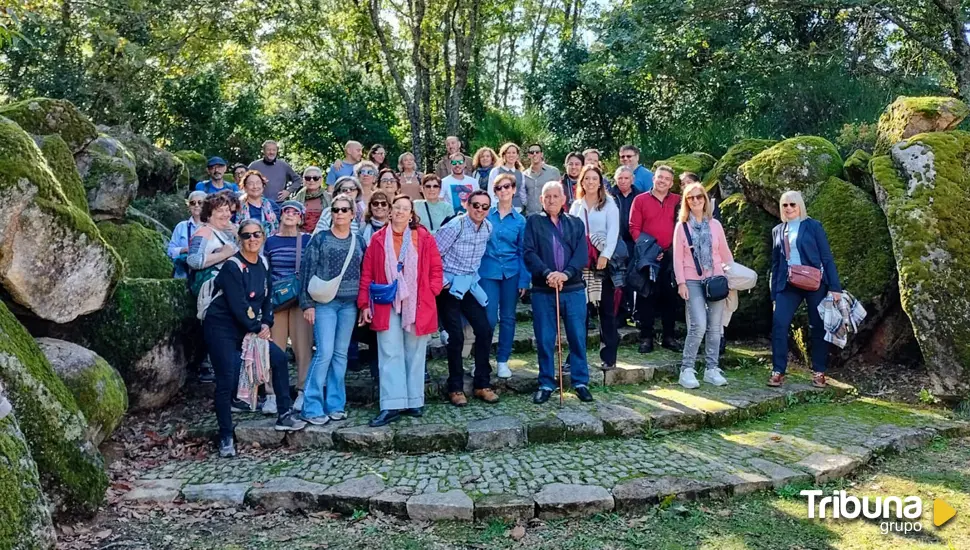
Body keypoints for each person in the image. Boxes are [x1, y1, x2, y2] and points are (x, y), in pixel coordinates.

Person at [203, 220, 306, 457]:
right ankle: (226, 435)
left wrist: (267, 322)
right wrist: (257, 327)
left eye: (256, 235)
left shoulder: (263, 263)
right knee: (226, 377)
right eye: (247, 235)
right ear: (240, 238)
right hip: (222, 327)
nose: (252, 239)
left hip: (250, 327)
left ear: (263, 237)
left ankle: (284, 414)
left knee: (278, 359)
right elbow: (238, 304)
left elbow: (268, 298)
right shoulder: (232, 266)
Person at [359, 195, 443, 427]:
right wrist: (364, 304)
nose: (400, 212)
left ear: (411, 214)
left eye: (405, 209)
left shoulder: (423, 237)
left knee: (415, 351)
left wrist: (432, 289)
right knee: (389, 351)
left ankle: (415, 399)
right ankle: (392, 404)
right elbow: (367, 273)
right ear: (390, 211)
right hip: (387, 302)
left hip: (417, 301)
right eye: (396, 208)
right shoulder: (377, 239)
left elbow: (436, 266)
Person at [524, 182, 593, 404]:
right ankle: (546, 382)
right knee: (545, 338)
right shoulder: (534, 221)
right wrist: (547, 273)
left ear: (564, 199)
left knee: (577, 336)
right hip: (543, 290)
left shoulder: (575, 223)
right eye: (547, 197)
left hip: (572, 288)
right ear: (541, 200)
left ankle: (580, 381)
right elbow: (529, 252)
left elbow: (582, 254)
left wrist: (565, 274)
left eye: (556, 196)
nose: (552, 200)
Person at [299, 194, 366, 425]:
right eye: (336, 209)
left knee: (340, 355)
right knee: (324, 353)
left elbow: (364, 273)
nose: (339, 213)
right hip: (325, 303)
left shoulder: (359, 241)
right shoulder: (320, 239)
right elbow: (306, 271)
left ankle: (336, 404)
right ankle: (312, 405)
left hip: (349, 305)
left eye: (344, 210)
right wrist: (307, 304)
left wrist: (363, 304)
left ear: (352, 213)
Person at [769, 190, 841, 388]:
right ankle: (778, 371)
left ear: (800, 205)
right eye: (785, 205)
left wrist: (835, 287)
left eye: (793, 204)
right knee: (779, 324)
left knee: (818, 326)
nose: (789, 208)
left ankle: (819, 371)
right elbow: (775, 264)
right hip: (788, 284)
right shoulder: (777, 230)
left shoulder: (813, 226)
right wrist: (774, 293)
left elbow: (826, 257)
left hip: (814, 282)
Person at [434, 190, 497, 406]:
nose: (480, 210)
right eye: (476, 205)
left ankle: (482, 384)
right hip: (448, 286)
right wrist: (444, 282)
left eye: (485, 206)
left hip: (468, 284)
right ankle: (456, 388)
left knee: (485, 329)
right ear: (468, 206)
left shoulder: (488, 228)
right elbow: (433, 254)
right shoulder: (455, 227)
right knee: (456, 336)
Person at [672, 183, 732, 389]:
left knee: (715, 327)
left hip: (715, 279)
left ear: (705, 200)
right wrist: (681, 282)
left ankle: (711, 368)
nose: (696, 201)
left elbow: (725, 254)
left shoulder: (715, 225)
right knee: (699, 324)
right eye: (691, 198)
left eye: (699, 197)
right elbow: (677, 259)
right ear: (686, 202)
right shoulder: (682, 226)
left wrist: (727, 275)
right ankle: (687, 368)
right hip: (692, 279)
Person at [263, 201, 314, 412]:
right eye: (287, 211)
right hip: (277, 299)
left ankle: (303, 390)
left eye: (295, 212)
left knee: (303, 347)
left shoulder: (308, 240)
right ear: (280, 215)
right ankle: (272, 394)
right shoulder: (269, 241)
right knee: (275, 347)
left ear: (301, 218)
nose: (290, 214)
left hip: (301, 299)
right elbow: (264, 268)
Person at [569, 165, 621, 370]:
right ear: (581, 182)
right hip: (582, 265)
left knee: (606, 310)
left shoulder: (609, 204)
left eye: (594, 179)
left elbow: (613, 231)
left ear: (600, 182)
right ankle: (575, 357)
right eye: (586, 179)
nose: (590, 182)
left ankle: (609, 356)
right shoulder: (577, 206)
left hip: (602, 263)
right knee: (579, 312)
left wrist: (605, 255)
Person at [479, 173, 530, 380]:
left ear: (514, 189)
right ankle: (482, 362)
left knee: (508, 318)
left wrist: (524, 279)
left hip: (511, 272)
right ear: (495, 191)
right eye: (499, 188)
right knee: (488, 319)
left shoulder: (520, 221)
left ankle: (502, 361)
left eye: (507, 186)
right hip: (488, 272)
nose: (503, 191)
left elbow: (523, 251)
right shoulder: (485, 215)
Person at [186, 191, 239, 385]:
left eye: (227, 210)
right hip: (214, 297)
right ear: (209, 214)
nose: (226, 214)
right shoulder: (204, 231)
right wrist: (223, 254)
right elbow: (193, 260)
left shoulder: (222, 232)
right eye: (220, 211)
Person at [629, 165, 681, 353]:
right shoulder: (640, 200)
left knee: (670, 298)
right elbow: (634, 228)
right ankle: (646, 338)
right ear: (653, 178)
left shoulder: (677, 201)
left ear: (671, 183)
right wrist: (649, 250)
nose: (662, 181)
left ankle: (669, 337)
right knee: (646, 297)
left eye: (667, 179)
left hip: (670, 255)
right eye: (660, 177)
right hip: (648, 256)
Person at [612, 166, 642, 326]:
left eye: (626, 178)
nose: (623, 181)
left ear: (632, 179)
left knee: (631, 279)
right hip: (614, 242)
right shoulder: (609, 195)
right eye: (620, 178)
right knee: (617, 279)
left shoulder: (640, 196)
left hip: (633, 242)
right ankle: (618, 313)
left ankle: (631, 312)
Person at [168, 191, 206, 279]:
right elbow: (170, 250)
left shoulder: (212, 226)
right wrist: (184, 250)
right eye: (193, 203)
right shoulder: (181, 226)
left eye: (200, 202)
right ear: (189, 207)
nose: (196, 205)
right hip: (183, 274)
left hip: (204, 273)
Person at [238, 170, 281, 237]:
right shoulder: (238, 206)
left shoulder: (272, 205)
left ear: (263, 185)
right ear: (245, 187)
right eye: (251, 183)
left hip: (270, 243)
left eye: (258, 183)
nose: (255, 186)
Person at [523, 143, 562, 215]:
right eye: (532, 152)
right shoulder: (524, 175)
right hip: (530, 216)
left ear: (541, 154)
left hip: (549, 215)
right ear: (529, 155)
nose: (534, 154)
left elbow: (560, 193)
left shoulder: (553, 171)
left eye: (537, 152)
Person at [292, 166, 331, 233]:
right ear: (303, 180)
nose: (311, 180)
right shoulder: (295, 201)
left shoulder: (330, 198)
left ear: (321, 180)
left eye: (315, 178)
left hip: (324, 236)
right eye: (308, 178)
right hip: (301, 237)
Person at [488, 142, 526, 208]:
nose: (511, 155)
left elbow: (522, 194)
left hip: (517, 209)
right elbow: (491, 192)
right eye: (508, 153)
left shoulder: (520, 174)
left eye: (514, 153)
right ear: (504, 155)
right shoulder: (496, 171)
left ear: (517, 156)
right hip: (499, 209)